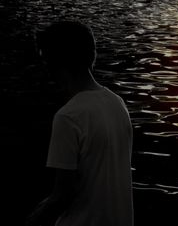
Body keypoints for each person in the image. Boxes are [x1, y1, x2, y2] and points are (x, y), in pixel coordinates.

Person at [26, 21, 134, 226]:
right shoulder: (117, 104)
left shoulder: (68, 117)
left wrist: (34, 219)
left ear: (55, 61)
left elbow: (62, 195)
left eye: (44, 58)